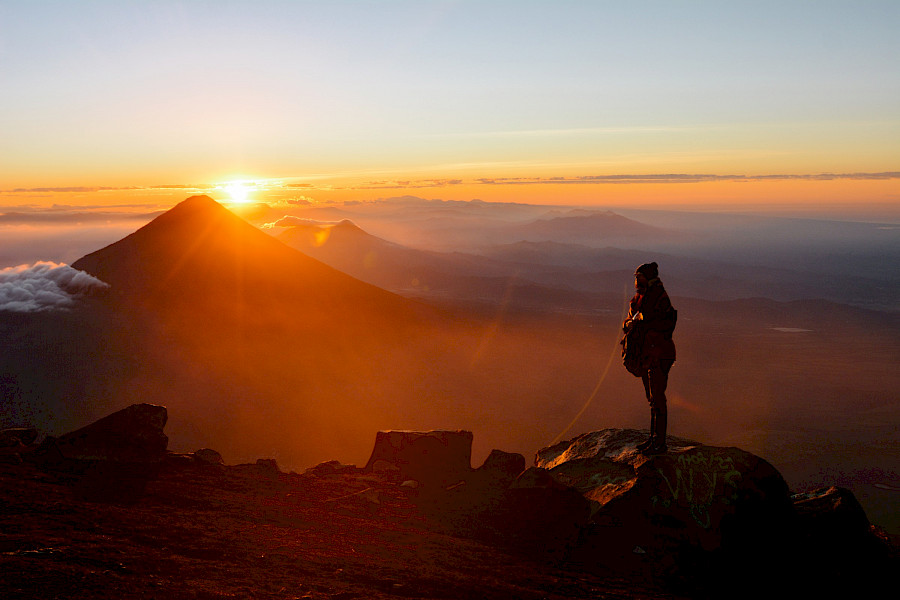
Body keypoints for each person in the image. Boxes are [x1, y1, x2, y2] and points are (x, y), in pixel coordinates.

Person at [622, 262, 676, 454]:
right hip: (647, 355)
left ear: (649, 278)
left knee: (657, 398)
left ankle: (659, 443)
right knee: (652, 398)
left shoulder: (658, 298)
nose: (636, 281)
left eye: (640, 277)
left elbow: (659, 322)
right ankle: (653, 439)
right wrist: (630, 323)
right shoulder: (641, 298)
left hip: (659, 355)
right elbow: (630, 319)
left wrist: (637, 321)